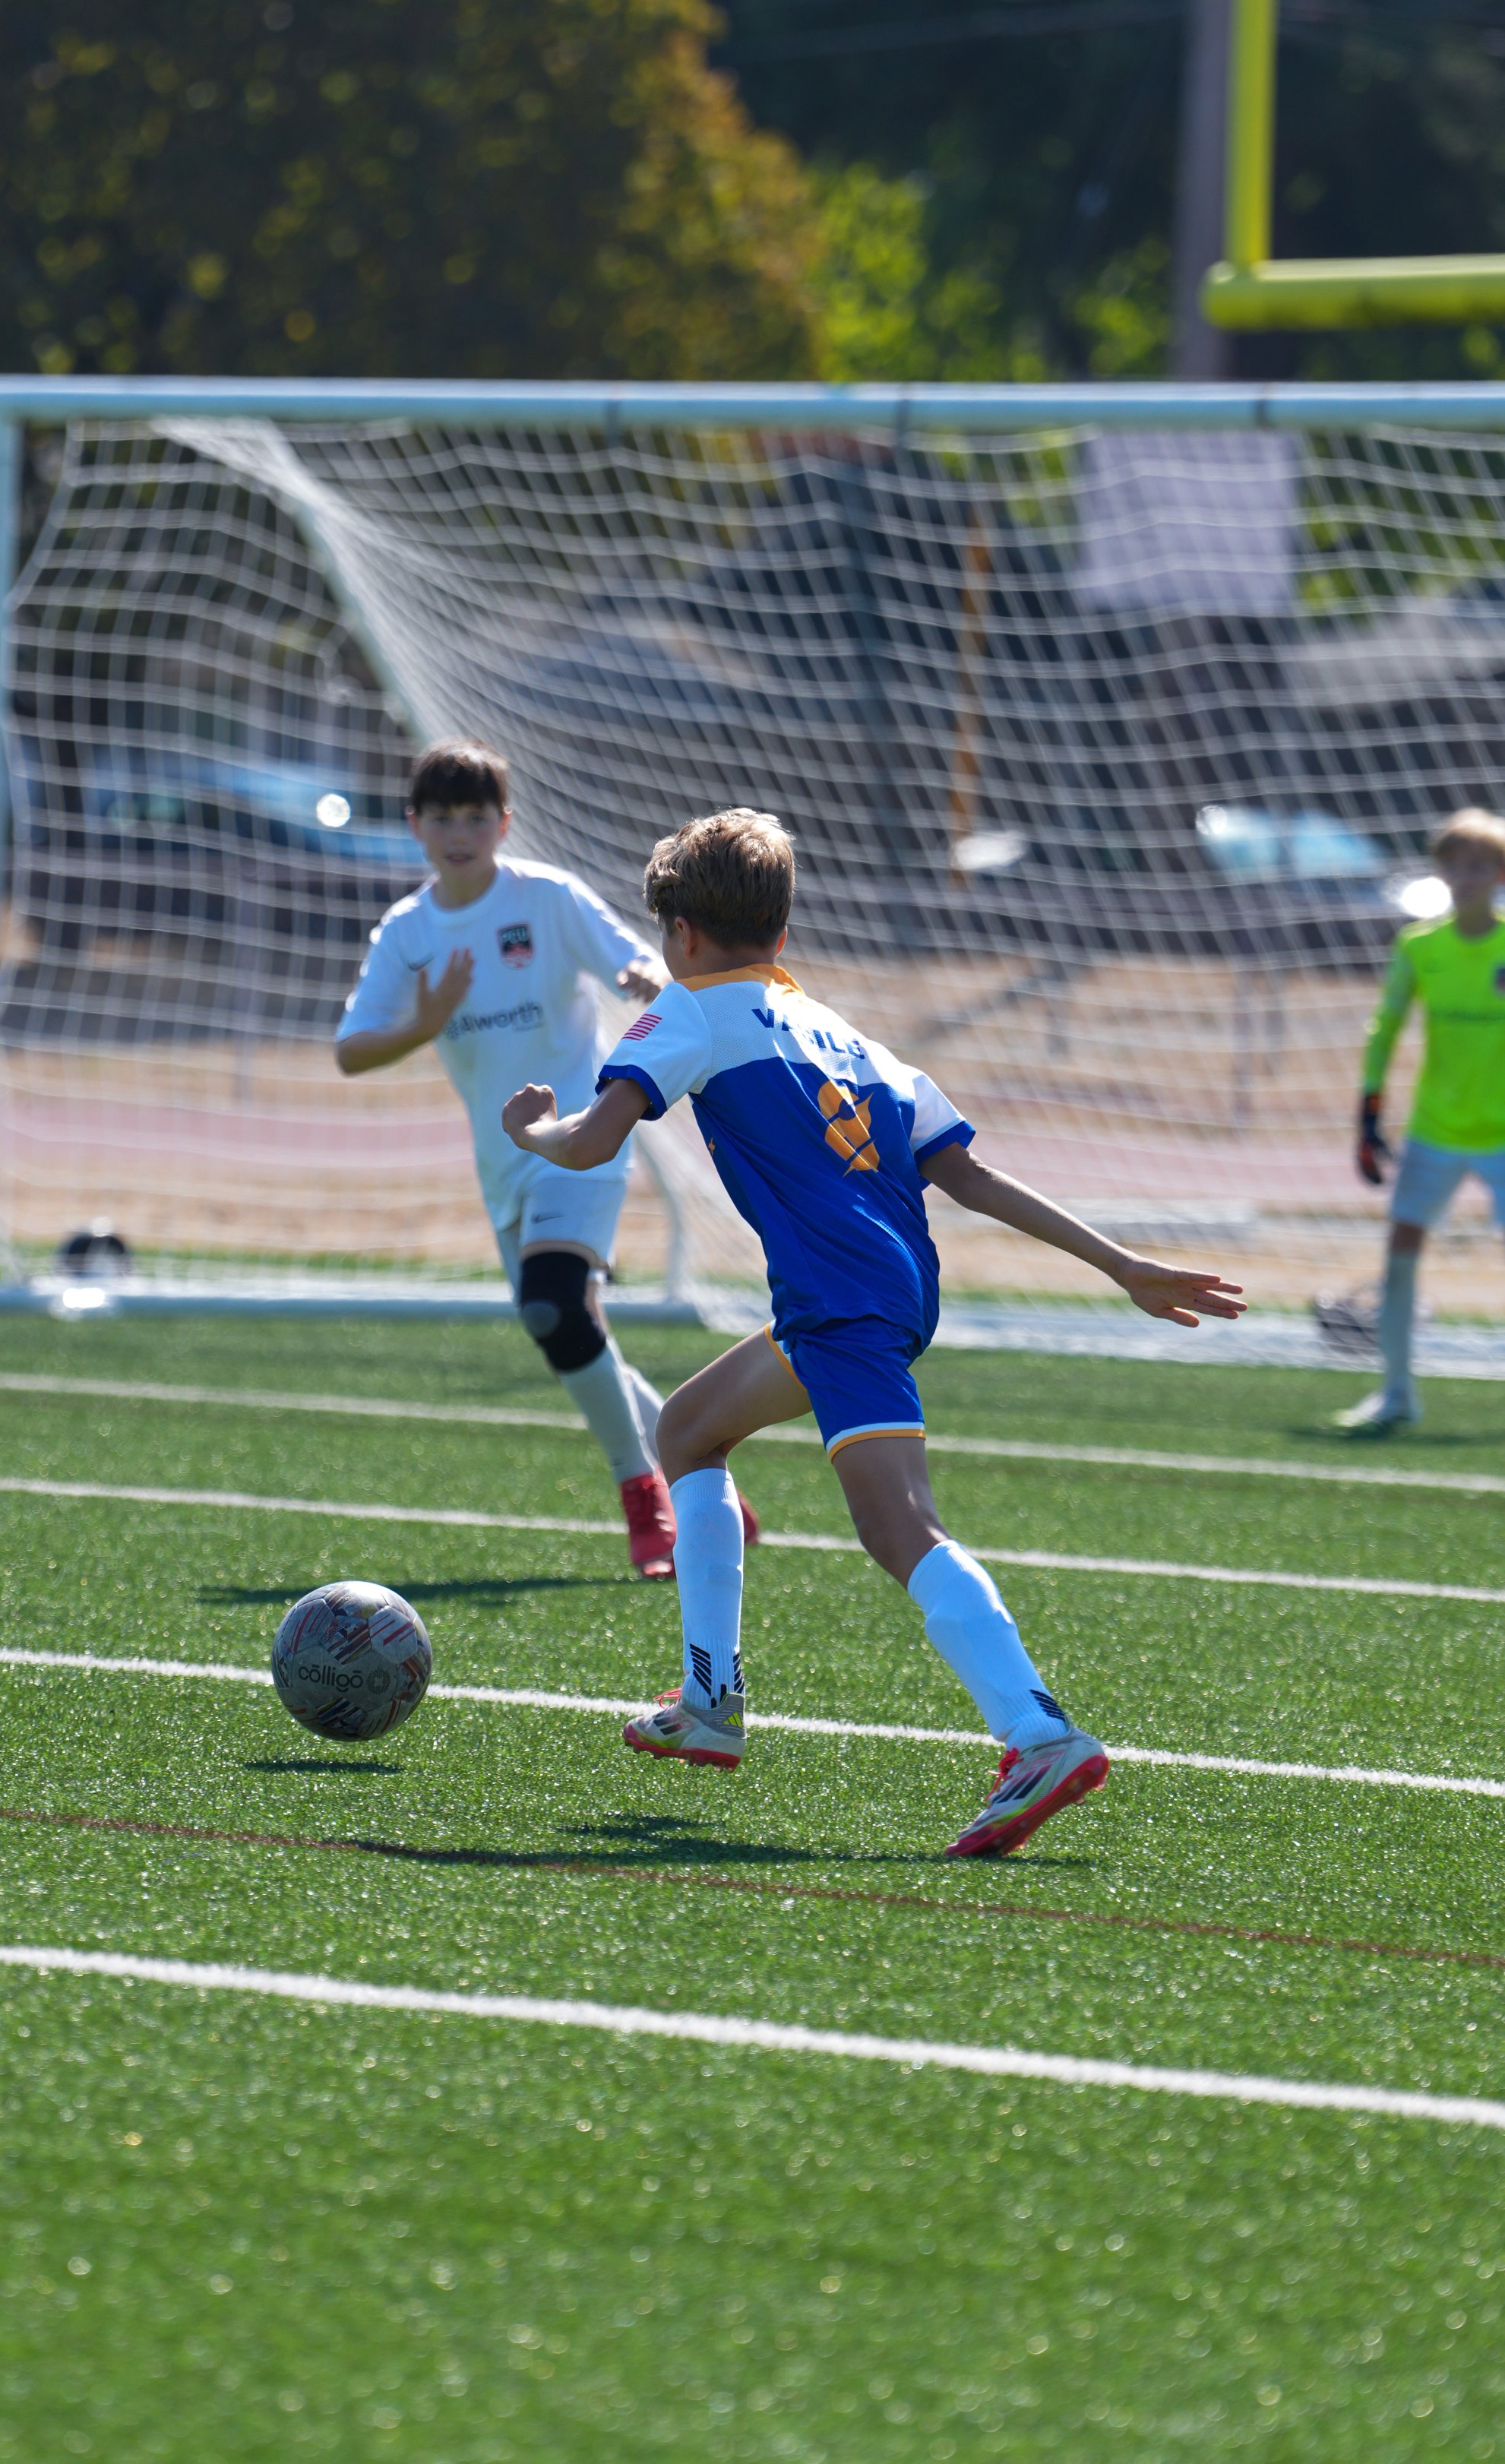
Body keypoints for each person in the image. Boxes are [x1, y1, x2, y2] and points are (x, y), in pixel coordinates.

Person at [501, 806, 1247, 1858]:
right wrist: (1120, 1262)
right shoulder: (846, 1036)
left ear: (682, 934)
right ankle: (710, 1697)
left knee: (900, 1528)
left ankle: (1038, 1733)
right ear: (781, 928)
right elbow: (970, 1174)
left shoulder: (688, 1011)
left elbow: (588, 1143)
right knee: (689, 1429)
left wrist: (528, 1123)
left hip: (841, 1296)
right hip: (884, 1286)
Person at [336, 740, 758, 1577]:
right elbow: (351, 1051)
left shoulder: (548, 899)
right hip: (503, 1163)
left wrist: (643, 978)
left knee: (554, 1308)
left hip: (581, 1136)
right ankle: (705, 1479)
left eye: (477, 815)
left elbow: (624, 958)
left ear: (504, 821)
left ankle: (643, 1494)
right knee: (570, 1330)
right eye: (444, 817)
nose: (462, 832)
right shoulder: (409, 932)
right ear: (416, 825)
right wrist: (427, 1022)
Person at [1337, 806, 1505, 1438]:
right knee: (1401, 1254)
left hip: (1504, 1134)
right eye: (1456, 866)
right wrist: (1369, 1111)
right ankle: (1396, 1392)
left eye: (1480, 866)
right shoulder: (1420, 945)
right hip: (1435, 1130)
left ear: (1499, 874)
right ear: (1442, 873)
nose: (1466, 877)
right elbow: (1385, 1028)